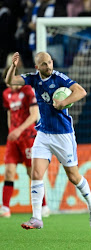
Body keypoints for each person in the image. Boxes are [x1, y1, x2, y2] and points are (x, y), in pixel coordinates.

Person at [5, 52, 91, 230]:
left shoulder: (59, 78)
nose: (48, 67)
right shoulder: (33, 79)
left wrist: (64, 103)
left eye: (50, 63)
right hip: (43, 134)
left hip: (63, 134)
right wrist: (13, 67)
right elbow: (12, 81)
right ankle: (37, 217)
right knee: (36, 173)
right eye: (44, 64)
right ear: (37, 67)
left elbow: (81, 91)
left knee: (73, 176)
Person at [0, 67, 50, 218]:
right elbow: (10, 113)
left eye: (11, 82)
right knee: (8, 172)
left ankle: (44, 206)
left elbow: (35, 115)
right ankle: (5, 208)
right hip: (14, 139)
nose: (10, 86)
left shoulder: (28, 90)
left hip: (28, 137)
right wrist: (11, 131)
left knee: (32, 173)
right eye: (7, 83)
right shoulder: (6, 94)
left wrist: (18, 130)